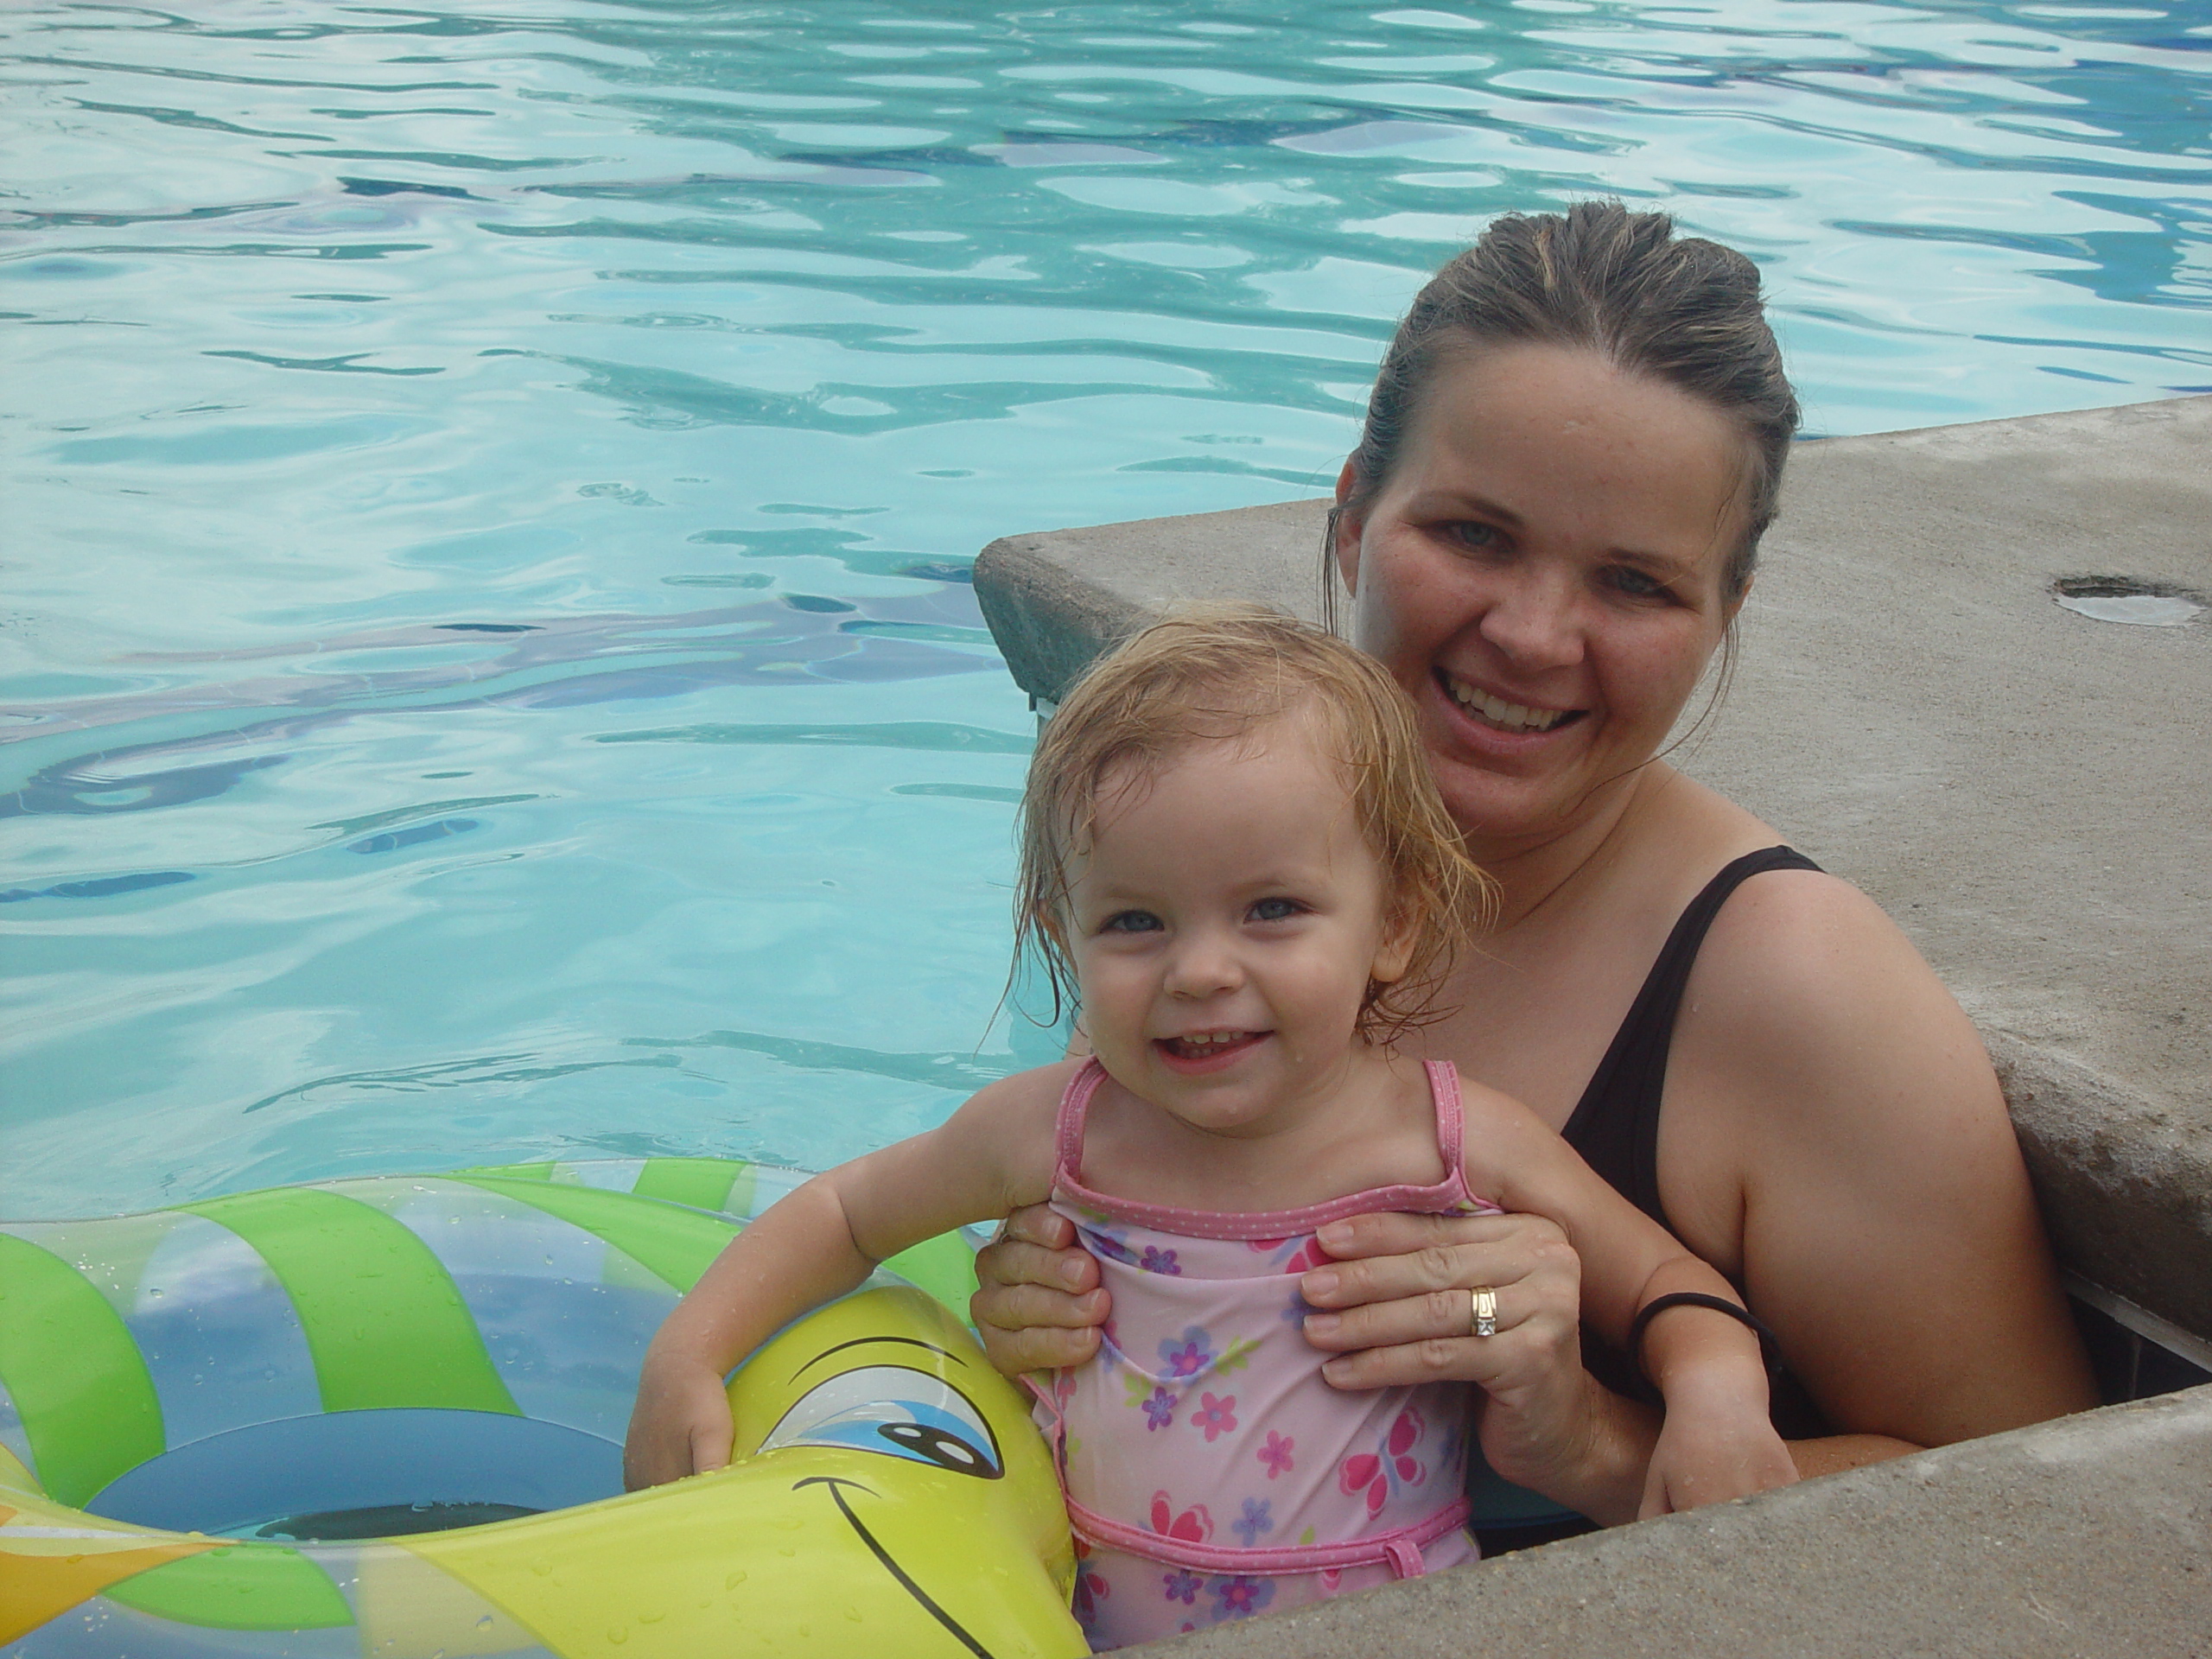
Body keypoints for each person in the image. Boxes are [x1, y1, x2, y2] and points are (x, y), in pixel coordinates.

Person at [969, 202, 2097, 1548]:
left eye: (1633, 583)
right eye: (1475, 536)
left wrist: (1589, 1441)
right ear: (1350, 517)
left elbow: (2044, 1514)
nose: (1533, 636)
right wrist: (1052, 1315)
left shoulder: (1789, 991)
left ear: (1720, 616)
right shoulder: (1192, 872)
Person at [626, 610, 1796, 1649]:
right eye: (1136, 921)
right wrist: (687, 1355)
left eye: (1272, 909)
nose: (1200, 971)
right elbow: (845, 1211)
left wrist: (1719, 1391)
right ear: (1064, 929)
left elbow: (1658, 1281)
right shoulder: (1060, 1135)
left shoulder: (1448, 1140)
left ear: (1394, 921)